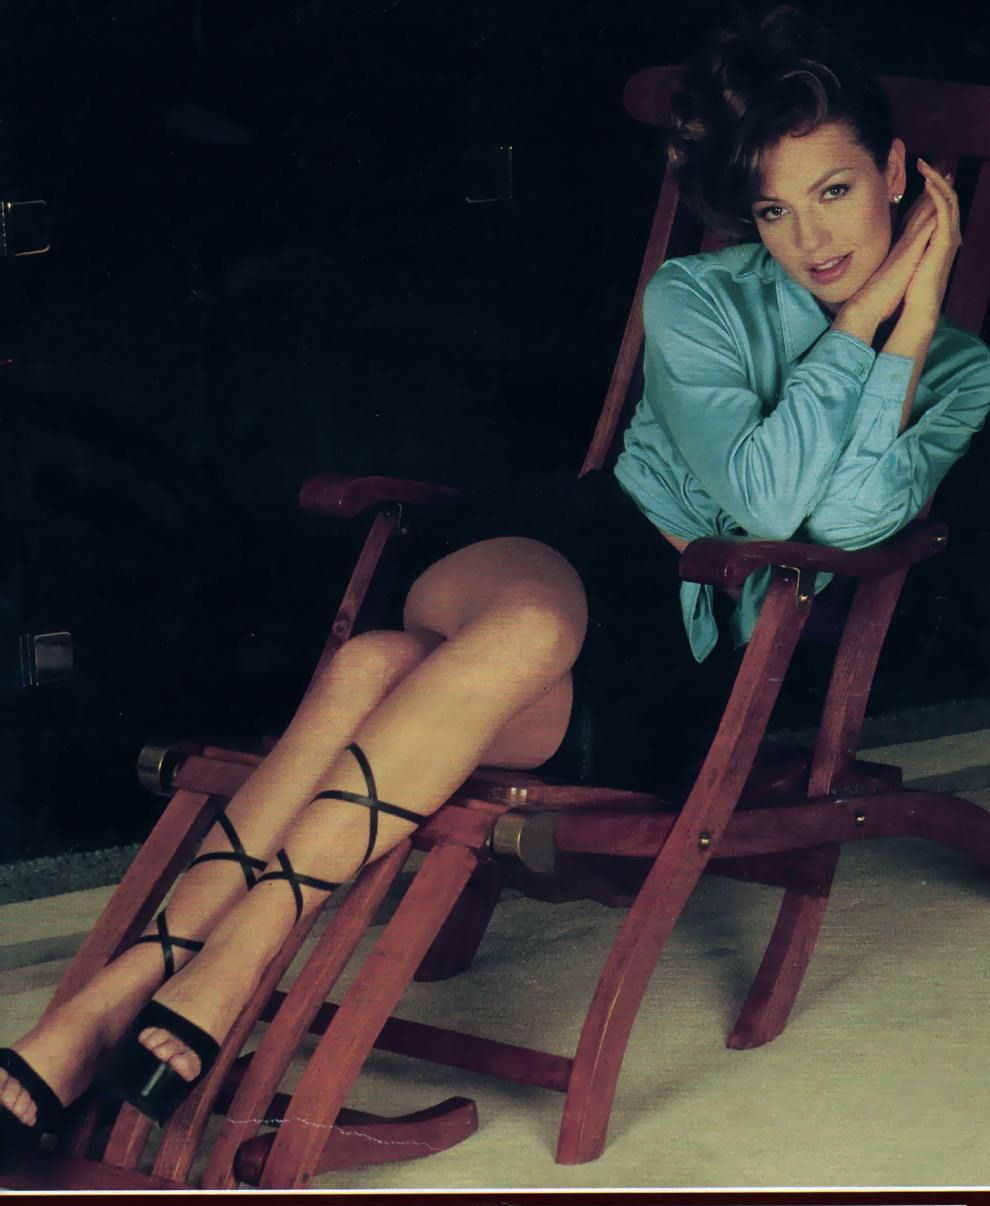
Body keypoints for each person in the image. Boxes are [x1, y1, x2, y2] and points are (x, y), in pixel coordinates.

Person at [2, 2, 989, 1168]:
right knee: (516, 620)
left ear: (895, 175)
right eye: (776, 208)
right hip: (573, 544)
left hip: (667, 647)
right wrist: (871, 317)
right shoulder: (698, 297)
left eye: (835, 191)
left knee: (378, 667)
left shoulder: (960, 371)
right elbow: (775, 497)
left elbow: (837, 521)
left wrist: (900, 325)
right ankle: (242, 955)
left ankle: (105, 1001)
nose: (811, 237)